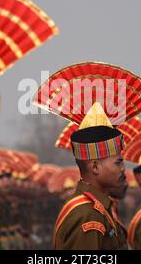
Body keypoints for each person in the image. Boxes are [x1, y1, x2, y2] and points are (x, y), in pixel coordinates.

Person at [53, 103, 129, 249]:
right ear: (95, 167)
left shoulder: (97, 208)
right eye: (117, 163)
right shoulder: (87, 214)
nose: (123, 169)